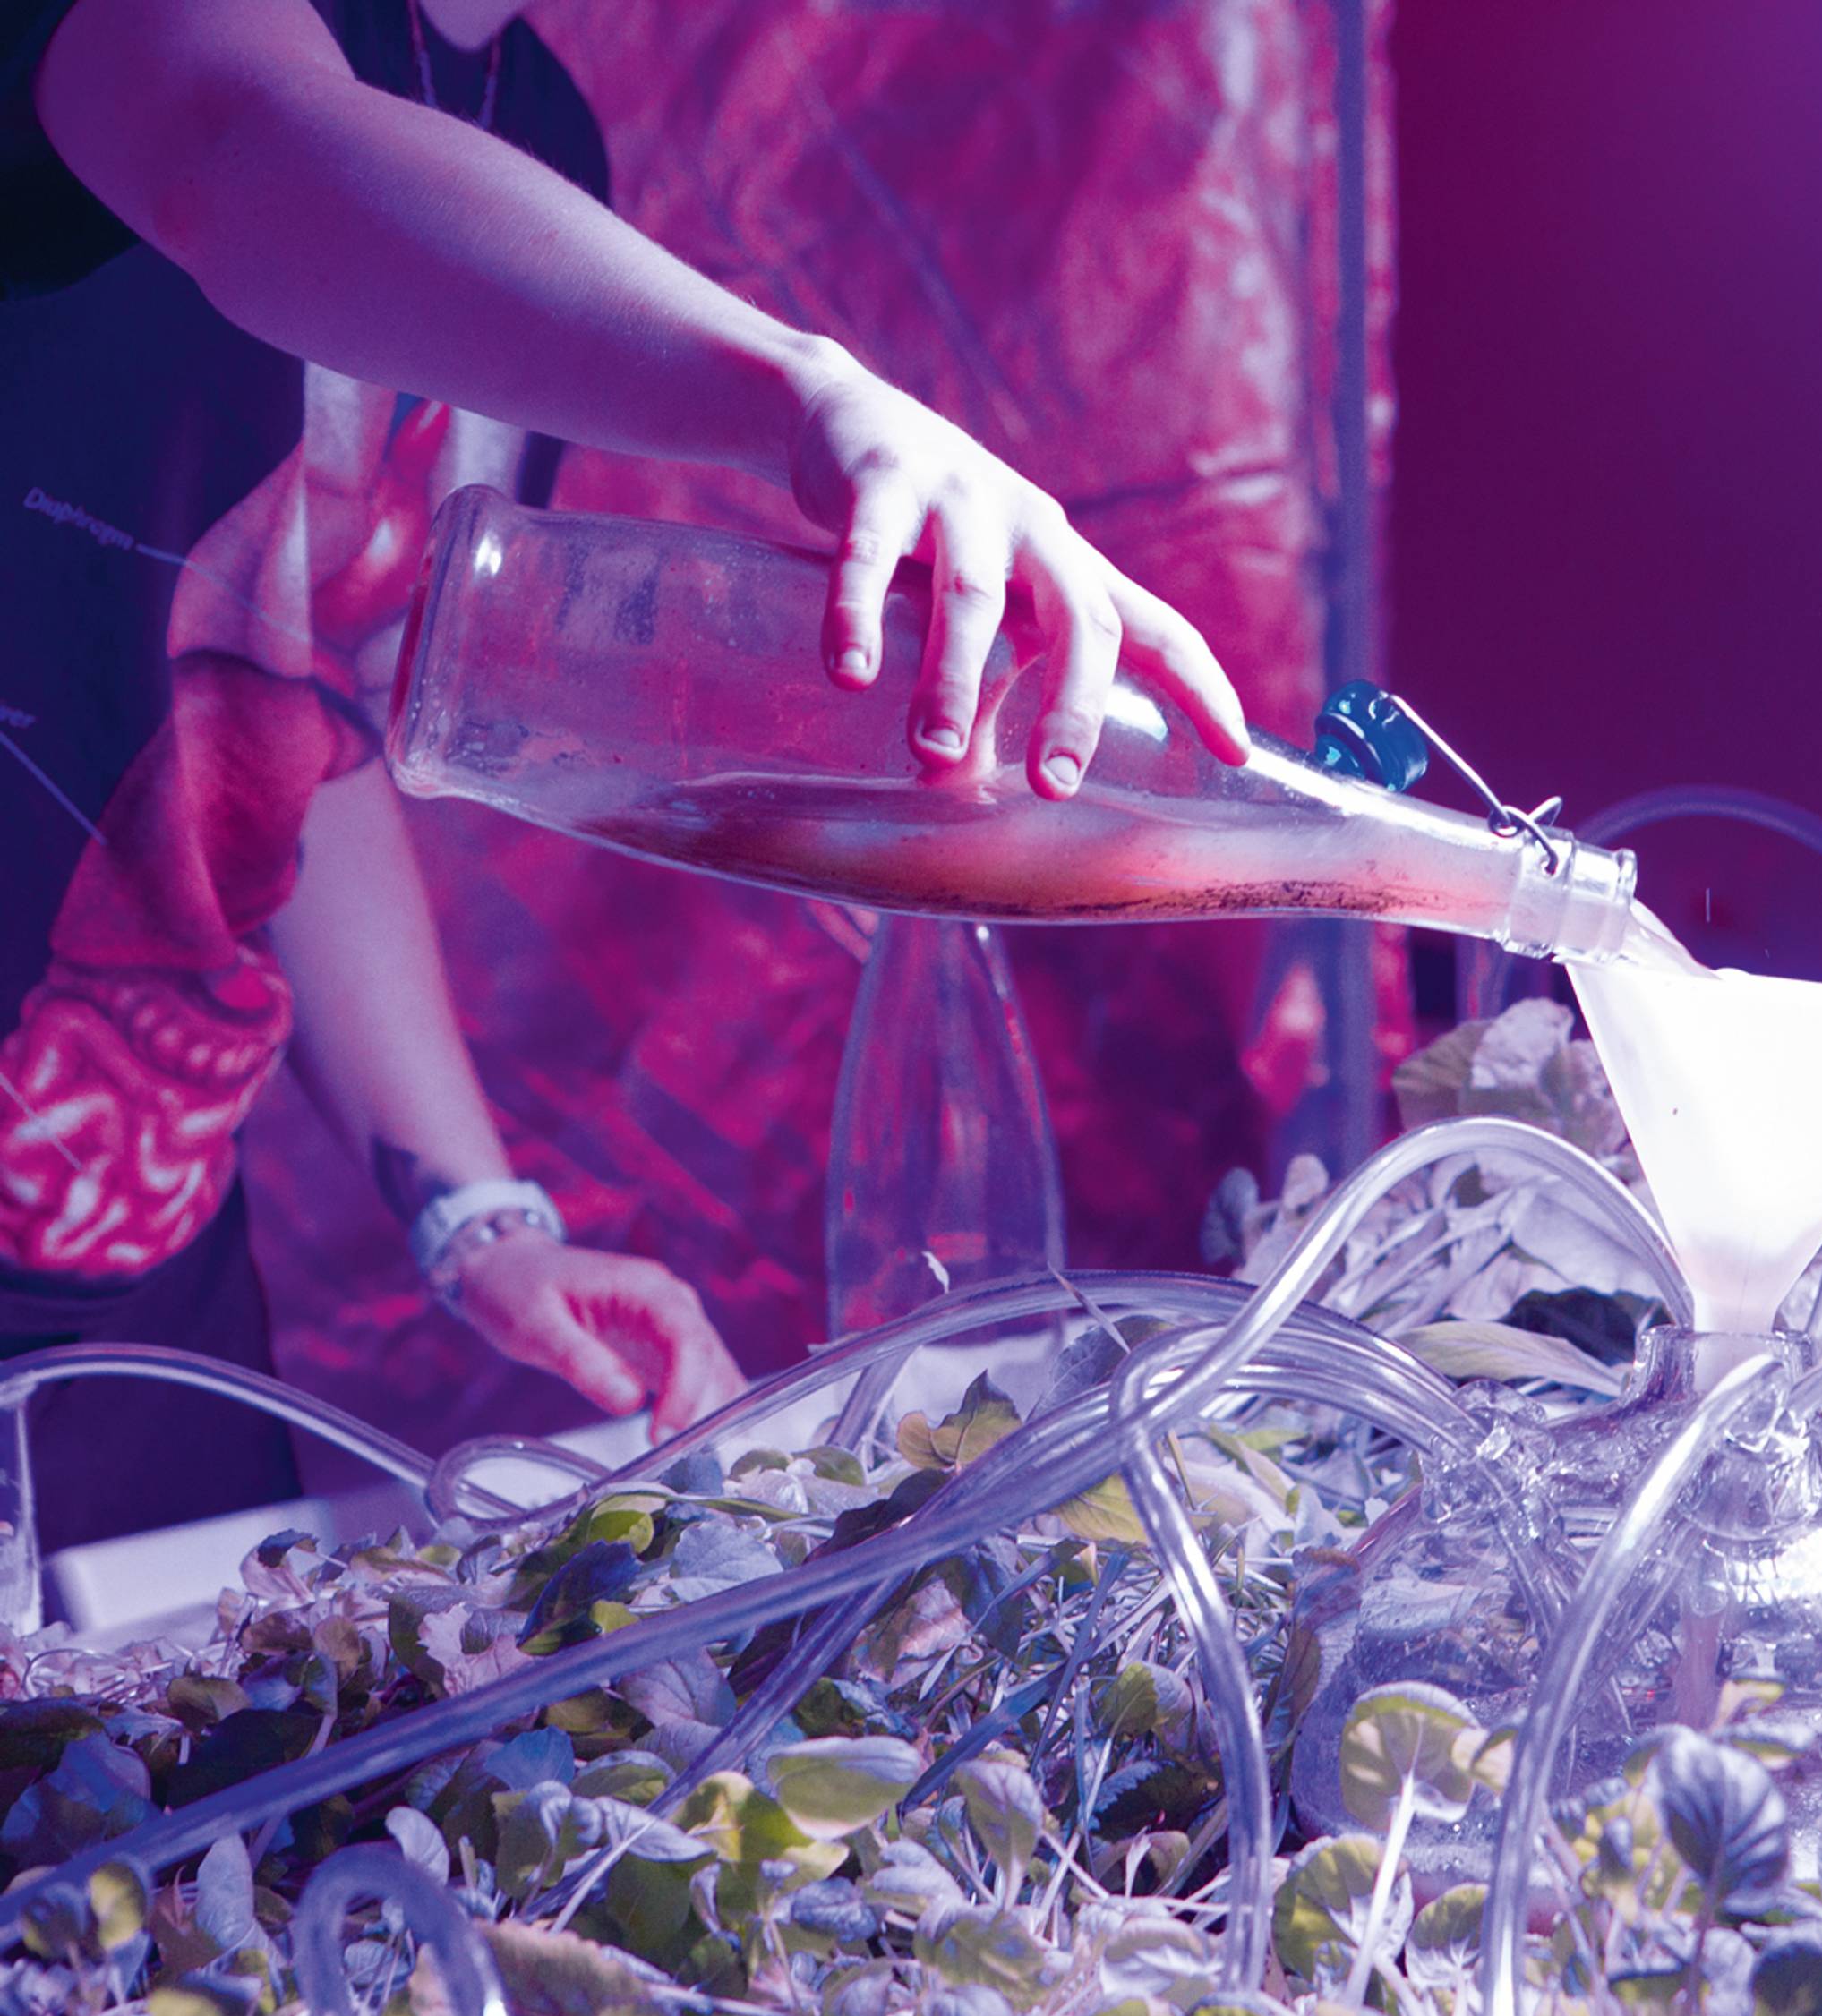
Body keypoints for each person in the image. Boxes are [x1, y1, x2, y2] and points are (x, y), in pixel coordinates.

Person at [2, 0, 1248, 1554]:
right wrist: (808, 396)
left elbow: (295, 735)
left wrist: (481, 1221)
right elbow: (232, 149)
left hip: (133, 1297)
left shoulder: (531, 131)